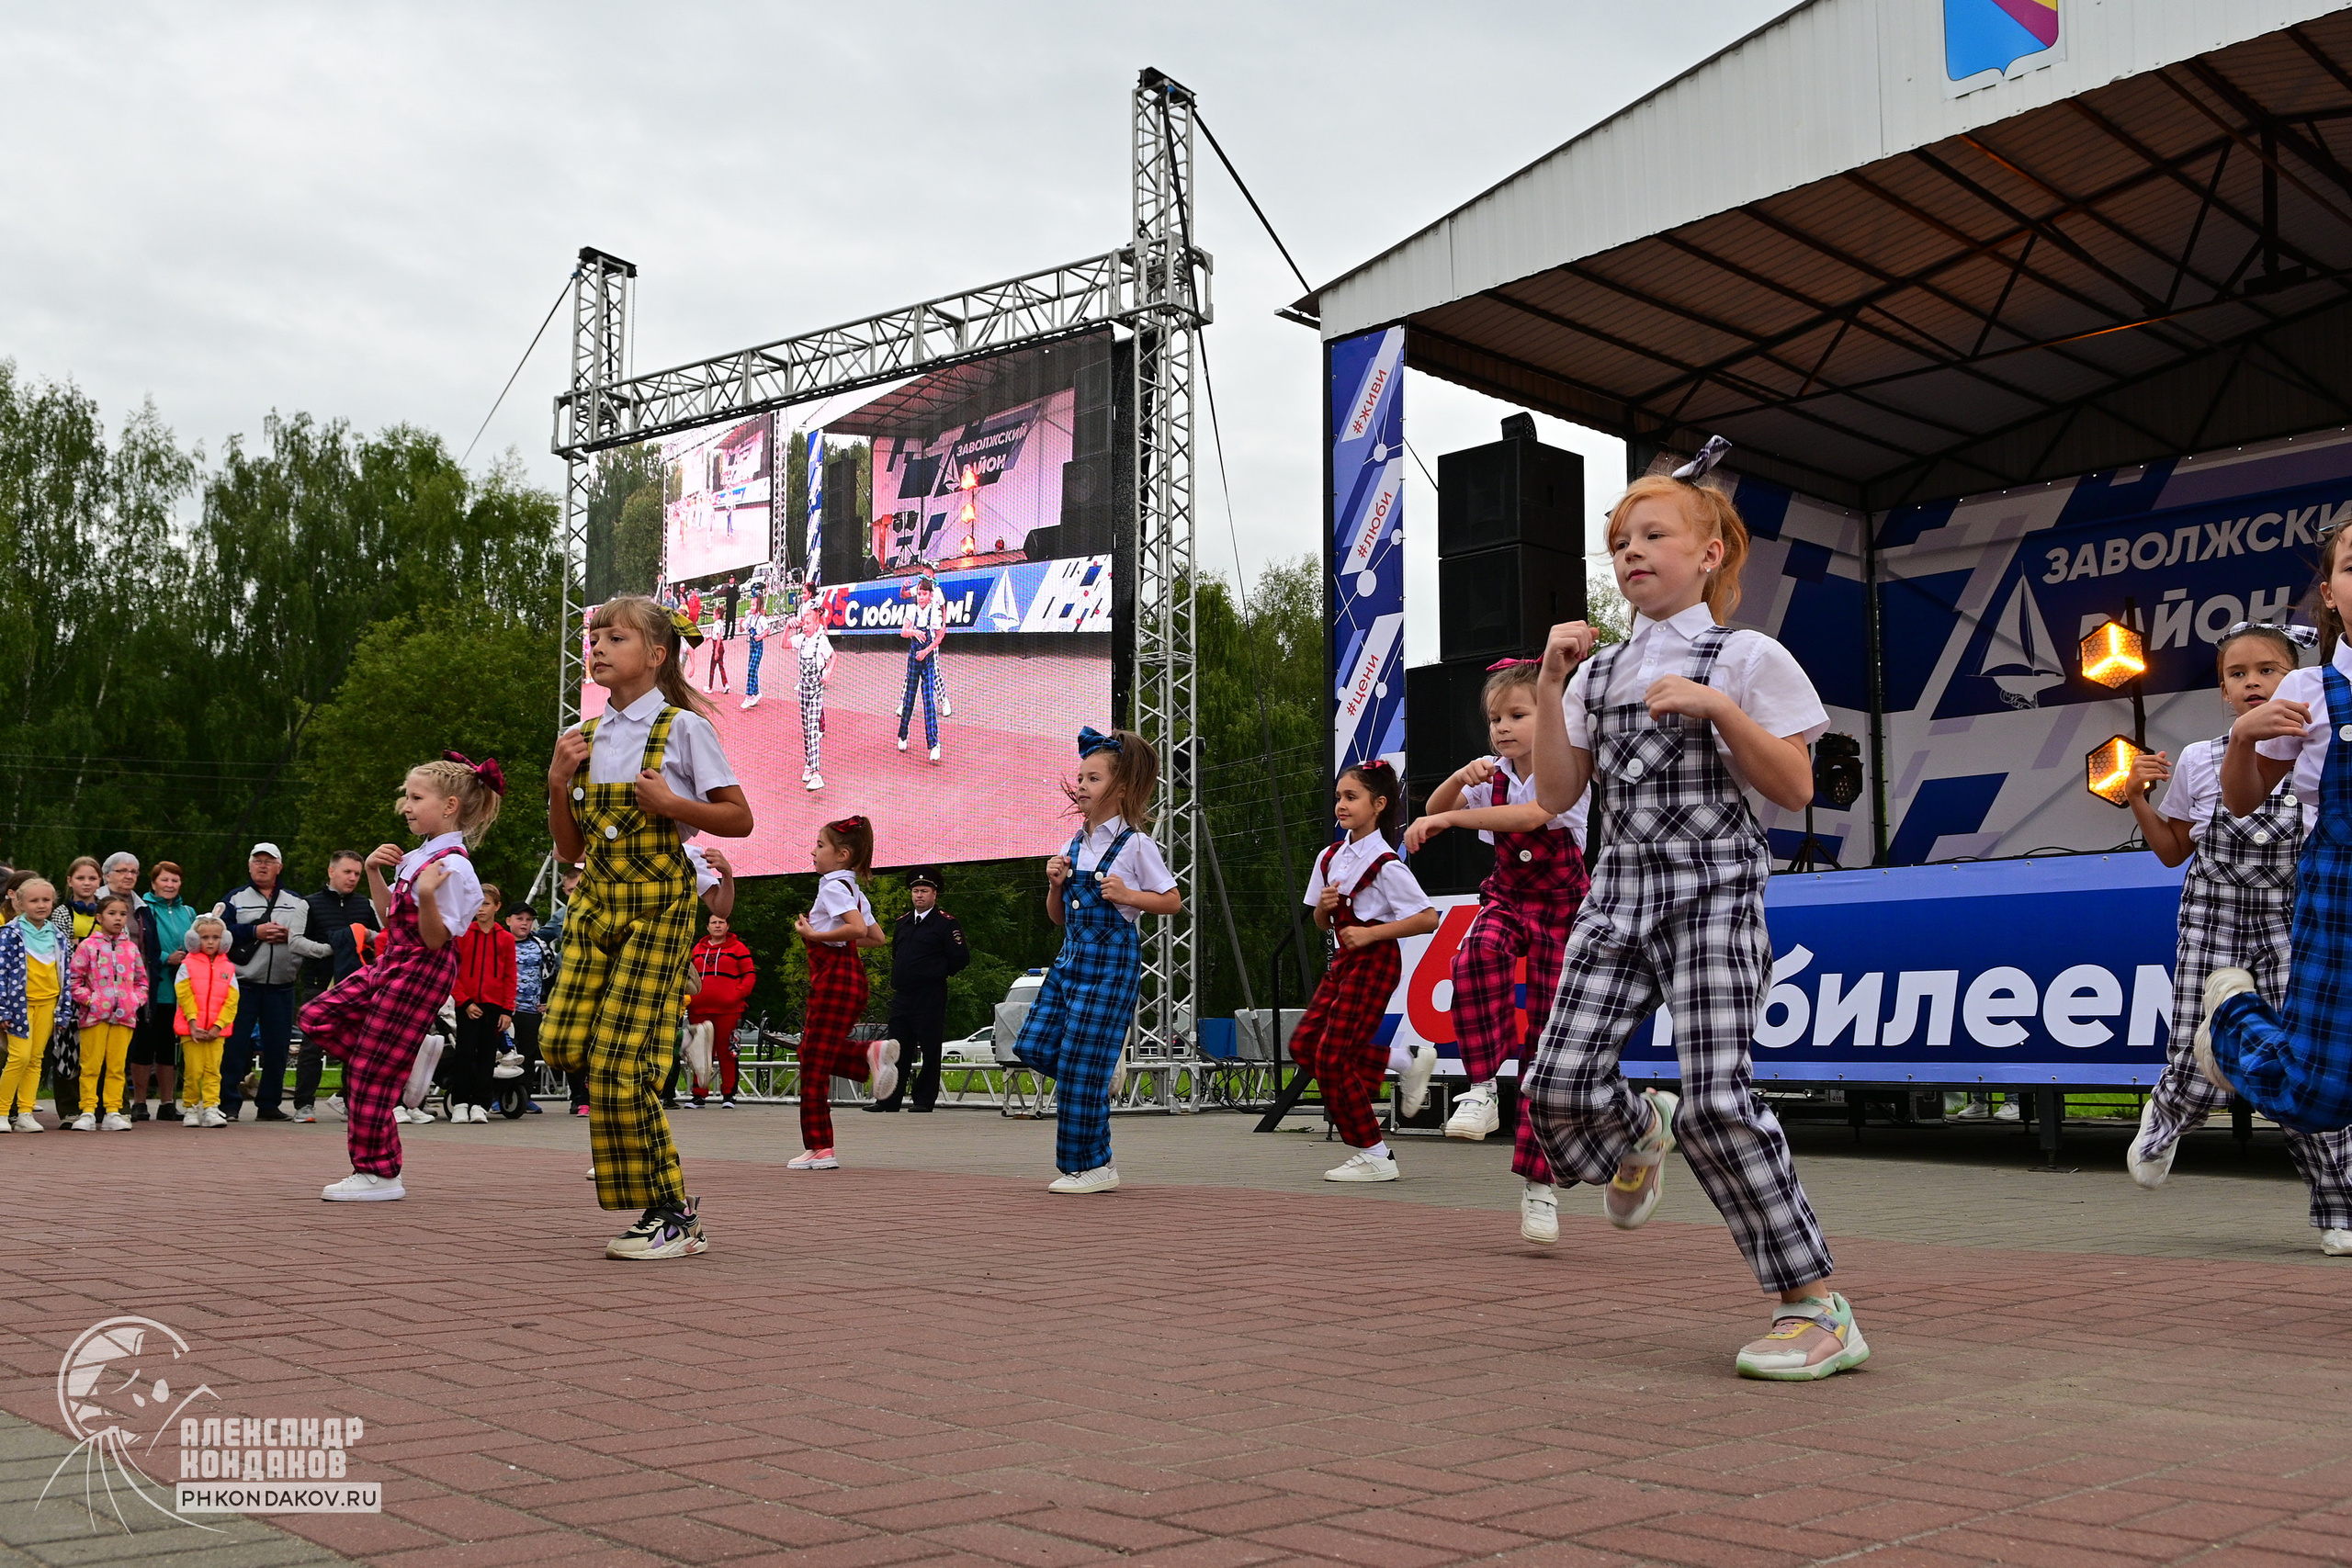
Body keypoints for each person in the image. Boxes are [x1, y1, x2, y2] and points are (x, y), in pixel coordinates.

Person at [1525, 446, 1868, 1382]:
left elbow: (1796, 787)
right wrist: (1552, 687)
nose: (1630, 554)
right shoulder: (1596, 675)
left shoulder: (1747, 656)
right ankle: (1638, 1127)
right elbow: (1557, 794)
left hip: (1714, 896)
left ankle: (1813, 1307)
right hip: (1617, 899)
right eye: (1618, 543)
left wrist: (1717, 706)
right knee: (1553, 1084)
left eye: (1651, 536)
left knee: (1720, 1098)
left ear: (1710, 553)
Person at [2121, 622, 2352, 1250]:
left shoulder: (2320, 744)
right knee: (2190, 1054)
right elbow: (2171, 851)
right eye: (2237, 673)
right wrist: (2137, 796)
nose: (2253, 682)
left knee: (2309, 1064)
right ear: (2223, 690)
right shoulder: (2199, 758)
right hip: (2211, 911)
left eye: (2268, 670)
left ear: (2298, 680)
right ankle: (2165, 1119)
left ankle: (2339, 1208)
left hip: (2290, 913)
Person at [542, 595, 752, 1260]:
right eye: (593, 636)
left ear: (657, 654)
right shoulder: (585, 735)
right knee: (560, 1041)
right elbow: (570, 852)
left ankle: (671, 1214)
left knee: (616, 1065)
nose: (597, 646)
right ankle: (660, 1044)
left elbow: (739, 819)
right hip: (596, 903)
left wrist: (671, 804)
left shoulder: (682, 729)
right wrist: (555, 784)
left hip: (659, 909)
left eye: (615, 637)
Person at [1404, 659, 1592, 1243]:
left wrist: (1458, 817)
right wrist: (1461, 780)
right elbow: (1434, 810)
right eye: (1494, 720)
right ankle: (1482, 1087)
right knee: (1475, 955)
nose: (1503, 729)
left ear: (1552, 717)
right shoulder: (1493, 777)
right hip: (1507, 900)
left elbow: (1533, 817)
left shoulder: (1572, 773)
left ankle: (1539, 1192)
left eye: (1517, 714)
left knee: (1544, 1052)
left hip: (1562, 914)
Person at [2203, 525, 2352, 1134]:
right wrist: (2241, 738)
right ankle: (2232, 1015)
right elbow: (2241, 800)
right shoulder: (2308, 688)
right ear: (2332, 593)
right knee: (2316, 1097)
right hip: (2340, 890)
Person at [297, 755, 497, 1200]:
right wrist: (373, 872)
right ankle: (400, 1069)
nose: (405, 806)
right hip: (395, 958)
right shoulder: (419, 855)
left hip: (422, 967)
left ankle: (380, 1174)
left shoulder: (456, 867)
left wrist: (427, 894)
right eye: (406, 796)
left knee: (368, 1074)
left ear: (449, 806)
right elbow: (389, 916)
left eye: (415, 797)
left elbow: (434, 938)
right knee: (315, 1016)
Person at [1012, 728, 1182, 1193]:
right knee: (1035, 1047)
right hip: (1070, 960)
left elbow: (1172, 901)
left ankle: (1091, 1167)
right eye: (1081, 777)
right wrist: (1053, 886)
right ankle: (1099, 1065)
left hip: (1111, 962)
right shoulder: (1072, 844)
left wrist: (1130, 895)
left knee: (1078, 1068)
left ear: (1121, 788)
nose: (1082, 786)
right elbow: (1057, 918)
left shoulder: (1135, 845)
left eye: (1093, 778)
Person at [1290, 762, 1442, 1184]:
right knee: (1305, 1046)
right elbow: (1322, 922)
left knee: (1332, 1056)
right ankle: (1401, 1061)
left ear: (1379, 805)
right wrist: (1323, 907)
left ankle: (1374, 1153)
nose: (1341, 805)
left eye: (1351, 797)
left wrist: (1372, 935)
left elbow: (1428, 918)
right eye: (1339, 797)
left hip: (1374, 962)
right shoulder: (1330, 857)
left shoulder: (1386, 863)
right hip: (1345, 962)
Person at [789, 818, 895, 1168]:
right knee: (811, 1052)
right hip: (852, 979)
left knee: (813, 1066)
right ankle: (867, 1057)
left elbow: (857, 928)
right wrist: (835, 934)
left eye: (820, 845)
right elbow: (875, 938)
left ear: (842, 854)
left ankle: (820, 1147)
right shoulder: (852, 888)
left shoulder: (831, 888)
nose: (813, 851)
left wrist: (813, 934)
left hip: (833, 981)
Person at [216, 842, 329, 1122]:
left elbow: (309, 933)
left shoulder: (296, 901)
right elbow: (216, 931)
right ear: (249, 865)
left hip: (282, 984)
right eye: (257, 861)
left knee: (277, 1048)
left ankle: (269, 1104)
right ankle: (228, 1103)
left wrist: (289, 934)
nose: (262, 866)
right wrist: (255, 930)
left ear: (280, 867)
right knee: (234, 1046)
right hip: (242, 983)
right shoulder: (235, 898)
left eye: (269, 861)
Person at [869, 868, 968, 1113]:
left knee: (930, 1048)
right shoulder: (903, 923)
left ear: (934, 894)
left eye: (924, 891)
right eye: (915, 891)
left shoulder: (945, 923)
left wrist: (935, 972)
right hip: (903, 994)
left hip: (929, 994)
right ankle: (889, 1100)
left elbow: (960, 957)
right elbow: (897, 955)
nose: (919, 896)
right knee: (896, 1048)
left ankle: (924, 1100)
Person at [296, 850, 379, 1122]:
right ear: (331, 872)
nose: (353, 878)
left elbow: (385, 937)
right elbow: (294, 941)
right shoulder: (308, 903)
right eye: (347, 872)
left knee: (356, 1046)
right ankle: (304, 1105)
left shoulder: (365, 905)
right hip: (320, 984)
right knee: (311, 1046)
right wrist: (330, 949)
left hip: (357, 986)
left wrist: (367, 936)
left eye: (357, 873)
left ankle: (347, 1100)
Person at [70, 892, 148, 1131]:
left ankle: (113, 1110)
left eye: (123, 914)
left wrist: (134, 1000)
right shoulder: (88, 946)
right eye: (112, 913)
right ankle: (87, 1111)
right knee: (91, 1065)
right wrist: (90, 1000)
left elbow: (142, 981)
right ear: (99, 916)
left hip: (124, 1016)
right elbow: (74, 979)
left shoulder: (131, 949)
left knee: (116, 1066)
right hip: (94, 1016)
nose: (118, 919)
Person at [0, 877, 69, 1133]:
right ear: (18, 903)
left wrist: (63, 1010)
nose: (41, 905)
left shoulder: (58, 935)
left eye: (46, 900)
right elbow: (1, 973)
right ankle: (2, 1110)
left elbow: (65, 973)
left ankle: (26, 1112)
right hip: (19, 1006)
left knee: (36, 1058)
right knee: (19, 1056)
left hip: (48, 1003)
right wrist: (2, 1009)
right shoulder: (9, 934)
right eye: (34, 900)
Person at [130, 862, 194, 1122]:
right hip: (152, 986)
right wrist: (168, 957)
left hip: (180, 990)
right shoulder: (143, 910)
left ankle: (168, 1102)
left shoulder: (188, 911)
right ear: (154, 882)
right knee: (143, 1046)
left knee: (169, 1048)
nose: (169, 885)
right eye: (165, 880)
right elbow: (140, 945)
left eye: (175, 881)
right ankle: (140, 1102)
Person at [448, 883, 515, 1124]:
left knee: (488, 1055)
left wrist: (508, 1009)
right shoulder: (463, 934)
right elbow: (453, 970)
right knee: (464, 1053)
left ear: (497, 906)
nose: (480, 909)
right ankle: (460, 1102)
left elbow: (510, 975)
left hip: (494, 1006)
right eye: (477, 904)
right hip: (467, 1005)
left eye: (486, 904)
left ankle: (480, 1104)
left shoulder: (505, 939)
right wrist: (464, 1001)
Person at [684, 907, 755, 1109]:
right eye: (714, 922)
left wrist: (737, 994)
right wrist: (688, 997)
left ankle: (729, 1095)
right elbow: (686, 976)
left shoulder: (738, 948)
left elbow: (749, 975)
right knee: (700, 1051)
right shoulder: (696, 950)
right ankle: (699, 1095)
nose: (717, 925)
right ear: (707, 926)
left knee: (728, 1051)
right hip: (699, 1008)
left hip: (729, 1010)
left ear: (728, 926)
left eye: (721, 922)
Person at [175, 914, 240, 1129]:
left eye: (215, 937)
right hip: (191, 1030)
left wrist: (219, 1025)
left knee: (213, 1070)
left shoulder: (228, 968)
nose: (210, 942)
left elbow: (232, 1000)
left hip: (216, 1032)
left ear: (225, 940)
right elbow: (184, 995)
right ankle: (190, 1107)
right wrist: (193, 1023)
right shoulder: (187, 965)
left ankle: (211, 1106)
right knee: (193, 1071)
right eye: (204, 937)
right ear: (194, 939)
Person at [53, 855, 102, 1122]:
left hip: (101, 993)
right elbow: (65, 952)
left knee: (97, 1049)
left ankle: (101, 1105)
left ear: (100, 881)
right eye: (81, 878)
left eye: (92, 878)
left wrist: (82, 942)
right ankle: (69, 1106)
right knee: (68, 1047)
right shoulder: (62, 913)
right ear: (70, 881)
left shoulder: (106, 909)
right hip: (70, 991)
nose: (86, 883)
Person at [507, 903, 554, 1115]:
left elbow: (551, 974)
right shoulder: (501, 941)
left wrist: (548, 1001)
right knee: (503, 1055)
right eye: (520, 918)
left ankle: (524, 1097)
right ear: (509, 921)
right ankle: (498, 1097)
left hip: (531, 1010)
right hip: (505, 1010)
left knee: (527, 1055)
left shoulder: (540, 945)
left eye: (528, 920)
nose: (525, 923)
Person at [896, 576, 945, 761]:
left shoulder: (934, 612)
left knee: (928, 700)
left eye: (924, 594)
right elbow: (903, 632)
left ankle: (934, 744)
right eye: (919, 594)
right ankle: (902, 734)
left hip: (928, 658)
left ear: (931, 595)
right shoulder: (911, 609)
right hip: (913, 658)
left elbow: (939, 637)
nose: (921, 598)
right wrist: (914, 632)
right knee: (909, 698)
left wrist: (926, 651)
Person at [792, 599, 833, 792]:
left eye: (808, 623)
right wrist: (786, 628)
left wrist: (828, 671)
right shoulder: (801, 640)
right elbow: (784, 644)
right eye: (803, 623)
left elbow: (834, 657)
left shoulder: (821, 640)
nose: (805, 626)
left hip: (816, 690)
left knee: (812, 729)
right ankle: (809, 764)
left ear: (816, 623)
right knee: (805, 729)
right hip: (803, 691)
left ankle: (817, 773)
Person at [740, 603, 768, 711]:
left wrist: (760, 637)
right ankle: (756, 693)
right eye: (750, 604)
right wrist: (741, 623)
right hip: (752, 646)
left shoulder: (761, 619)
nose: (751, 607)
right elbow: (742, 629)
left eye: (753, 605)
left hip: (758, 647)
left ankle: (749, 695)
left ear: (759, 606)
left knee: (752, 669)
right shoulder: (750, 618)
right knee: (752, 669)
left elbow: (767, 631)